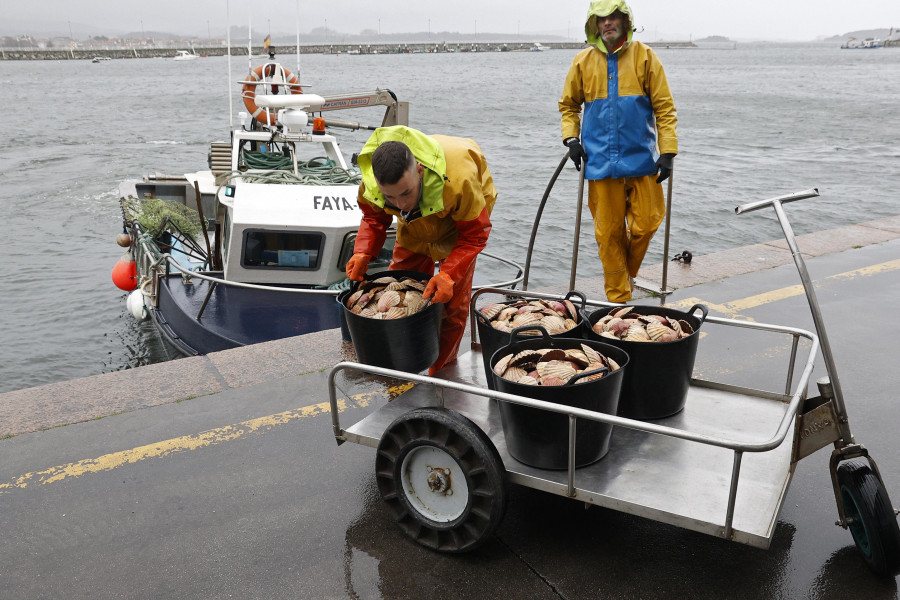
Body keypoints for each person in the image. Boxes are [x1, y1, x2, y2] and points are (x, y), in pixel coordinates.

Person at [345, 126, 496, 375]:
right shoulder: (372, 183)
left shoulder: (460, 182)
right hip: (413, 225)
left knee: (453, 304)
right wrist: (363, 251)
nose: (401, 203)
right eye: (391, 197)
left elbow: (474, 236)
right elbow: (373, 218)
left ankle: (441, 371)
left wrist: (448, 274)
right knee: (399, 288)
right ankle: (402, 364)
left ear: (419, 170)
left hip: (459, 226)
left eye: (406, 192)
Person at [559, 0, 678, 303]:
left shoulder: (646, 57)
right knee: (608, 235)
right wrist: (572, 140)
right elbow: (569, 106)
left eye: (613, 17)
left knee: (649, 221)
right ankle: (618, 301)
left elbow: (664, 108)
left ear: (625, 21)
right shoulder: (582, 62)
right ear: (594, 25)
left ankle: (625, 275)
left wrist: (668, 152)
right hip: (599, 164)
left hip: (642, 159)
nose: (608, 23)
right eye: (601, 19)